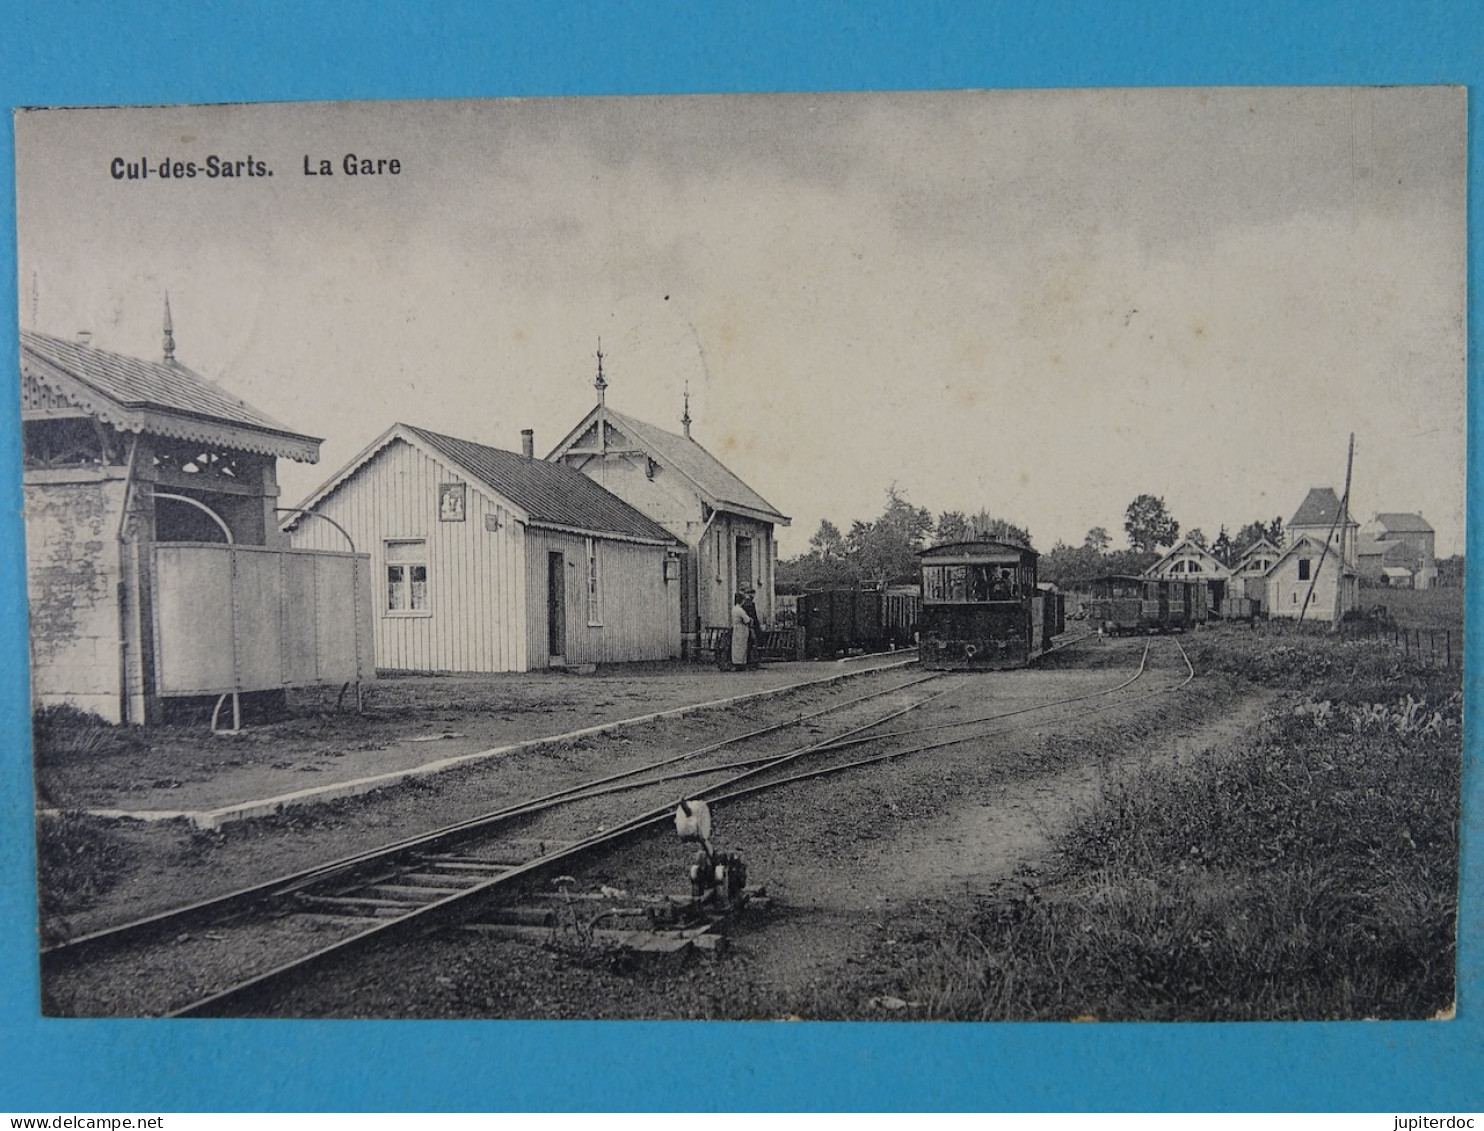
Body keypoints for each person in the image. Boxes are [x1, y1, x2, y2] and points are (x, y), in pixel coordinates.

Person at [729, 591, 754, 671]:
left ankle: (736, 661)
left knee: (736, 646)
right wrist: (750, 620)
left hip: (736, 628)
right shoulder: (740, 610)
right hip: (742, 629)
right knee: (742, 646)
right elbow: (746, 620)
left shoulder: (734, 609)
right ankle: (741, 663)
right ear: (741, 601)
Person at [740, 585, 762, 668]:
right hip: (751, 626)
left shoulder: (747, 603)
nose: (753, 596)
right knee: (752, 643)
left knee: (751, 643)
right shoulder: (749, 604)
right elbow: (752, 616)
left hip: (751, 625)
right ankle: (752, 661)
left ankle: (752, 661)